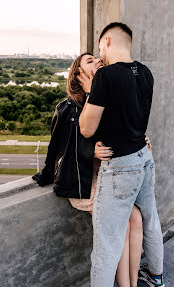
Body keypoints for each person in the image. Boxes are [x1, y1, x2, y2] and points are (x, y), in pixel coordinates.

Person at [32, 52, 144, 287]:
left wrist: (140, 140)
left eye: (98, 59)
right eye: (90, 61)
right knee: (120, 227)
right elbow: (60, 146)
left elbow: (118, 129)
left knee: (136, 217)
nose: (98, 61)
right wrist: (88, 151)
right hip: (83, 182)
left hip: (105, 175)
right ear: (78, 75)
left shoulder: (104, 99)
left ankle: (133, 281)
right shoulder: (67, 107)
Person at [79, 22, 165, 287]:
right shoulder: (147, 73)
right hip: (144, 158)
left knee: (106, 245)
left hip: (120, 167)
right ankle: (157, 276)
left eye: (99, 45)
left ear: (106, 41)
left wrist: (92, 91)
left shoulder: (106, 77)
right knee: (151, 220)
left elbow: (86, 128)